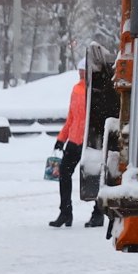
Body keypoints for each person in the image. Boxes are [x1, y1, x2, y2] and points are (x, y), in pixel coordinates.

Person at [51, 72, 88, 228]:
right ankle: (66, 212)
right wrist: (61, 138)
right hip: (78, 139)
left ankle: (67, 213)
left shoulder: (91, 88)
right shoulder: (78, 89)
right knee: (65, 173)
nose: (81, 73)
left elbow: (73, 118)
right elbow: (71, 117)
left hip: (85, 140)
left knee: (94, 176)